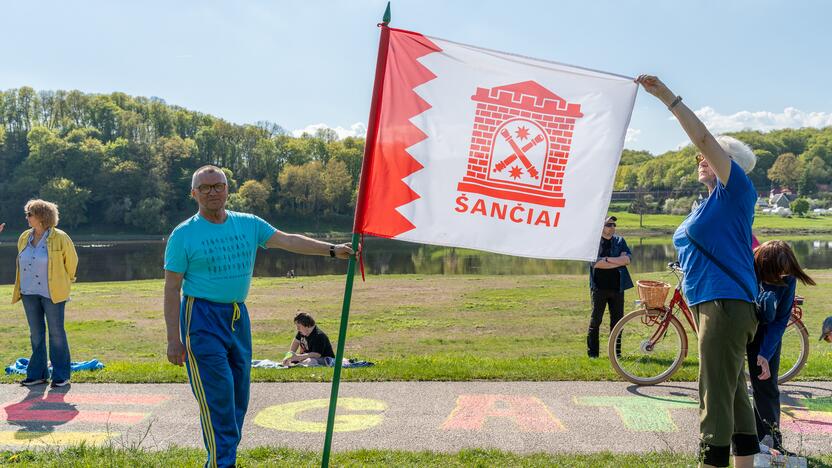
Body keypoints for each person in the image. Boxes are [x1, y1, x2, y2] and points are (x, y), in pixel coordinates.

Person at [163, 165, 355, 468]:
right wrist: (174, 340)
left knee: (239, 397)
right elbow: (172, 288)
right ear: (194, 193)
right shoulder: (184, 234)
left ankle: (225, 457)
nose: (212, 191)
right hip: (200, 318)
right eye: (205, 187)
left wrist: (332, 250)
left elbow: (289, 240)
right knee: (219, 400)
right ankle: (221, 464)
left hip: (238, 317)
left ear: (227, 189)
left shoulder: (248, 224)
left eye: (218, 185)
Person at [637, 75, 759, 468]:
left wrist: (667, 98)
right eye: (700, 157)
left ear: (729, 166)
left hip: (724, 303)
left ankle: (710, 461)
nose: (700, 158)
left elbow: (704, 139)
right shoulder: (704, 206)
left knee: (712, 393)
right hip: (715, 302)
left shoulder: (736, 191)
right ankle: (744, 463)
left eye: (708, 156)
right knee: (733, 392)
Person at [748, 240, 816, 454]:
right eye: (775, 275)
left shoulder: (789, 277)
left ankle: (770, 441)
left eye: (784, 275)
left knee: (766, 385)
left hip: (767, 330)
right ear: (763, 265)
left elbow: (780, 320)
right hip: (739, 323)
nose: (780, 279)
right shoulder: (748, 265)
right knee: (731, 387)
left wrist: (765, 354)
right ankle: (741, 442)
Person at [12, 200, 78, 388]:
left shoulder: (61, 237)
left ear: (41, 216)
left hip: (53, 293)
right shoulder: (24, 237)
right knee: (36, 334)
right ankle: (37, 374)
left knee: (57, 333)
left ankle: (61, 375)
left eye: (30, 214)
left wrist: (65, 281)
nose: (27, 218)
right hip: (28, 292)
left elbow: (71, 262)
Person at [587, 215, 633, 358]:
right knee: (596, 321)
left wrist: (606, 259)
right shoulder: (593, 243)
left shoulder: (620, 241)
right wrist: (616, 261)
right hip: (599, 288)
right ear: (601, 227)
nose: (612, 227)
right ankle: (593, 355)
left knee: (618, 322)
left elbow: (627, 260)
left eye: (614, 225)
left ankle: (616, 354)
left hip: (617, 288)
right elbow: (596, 264)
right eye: (609, 225)